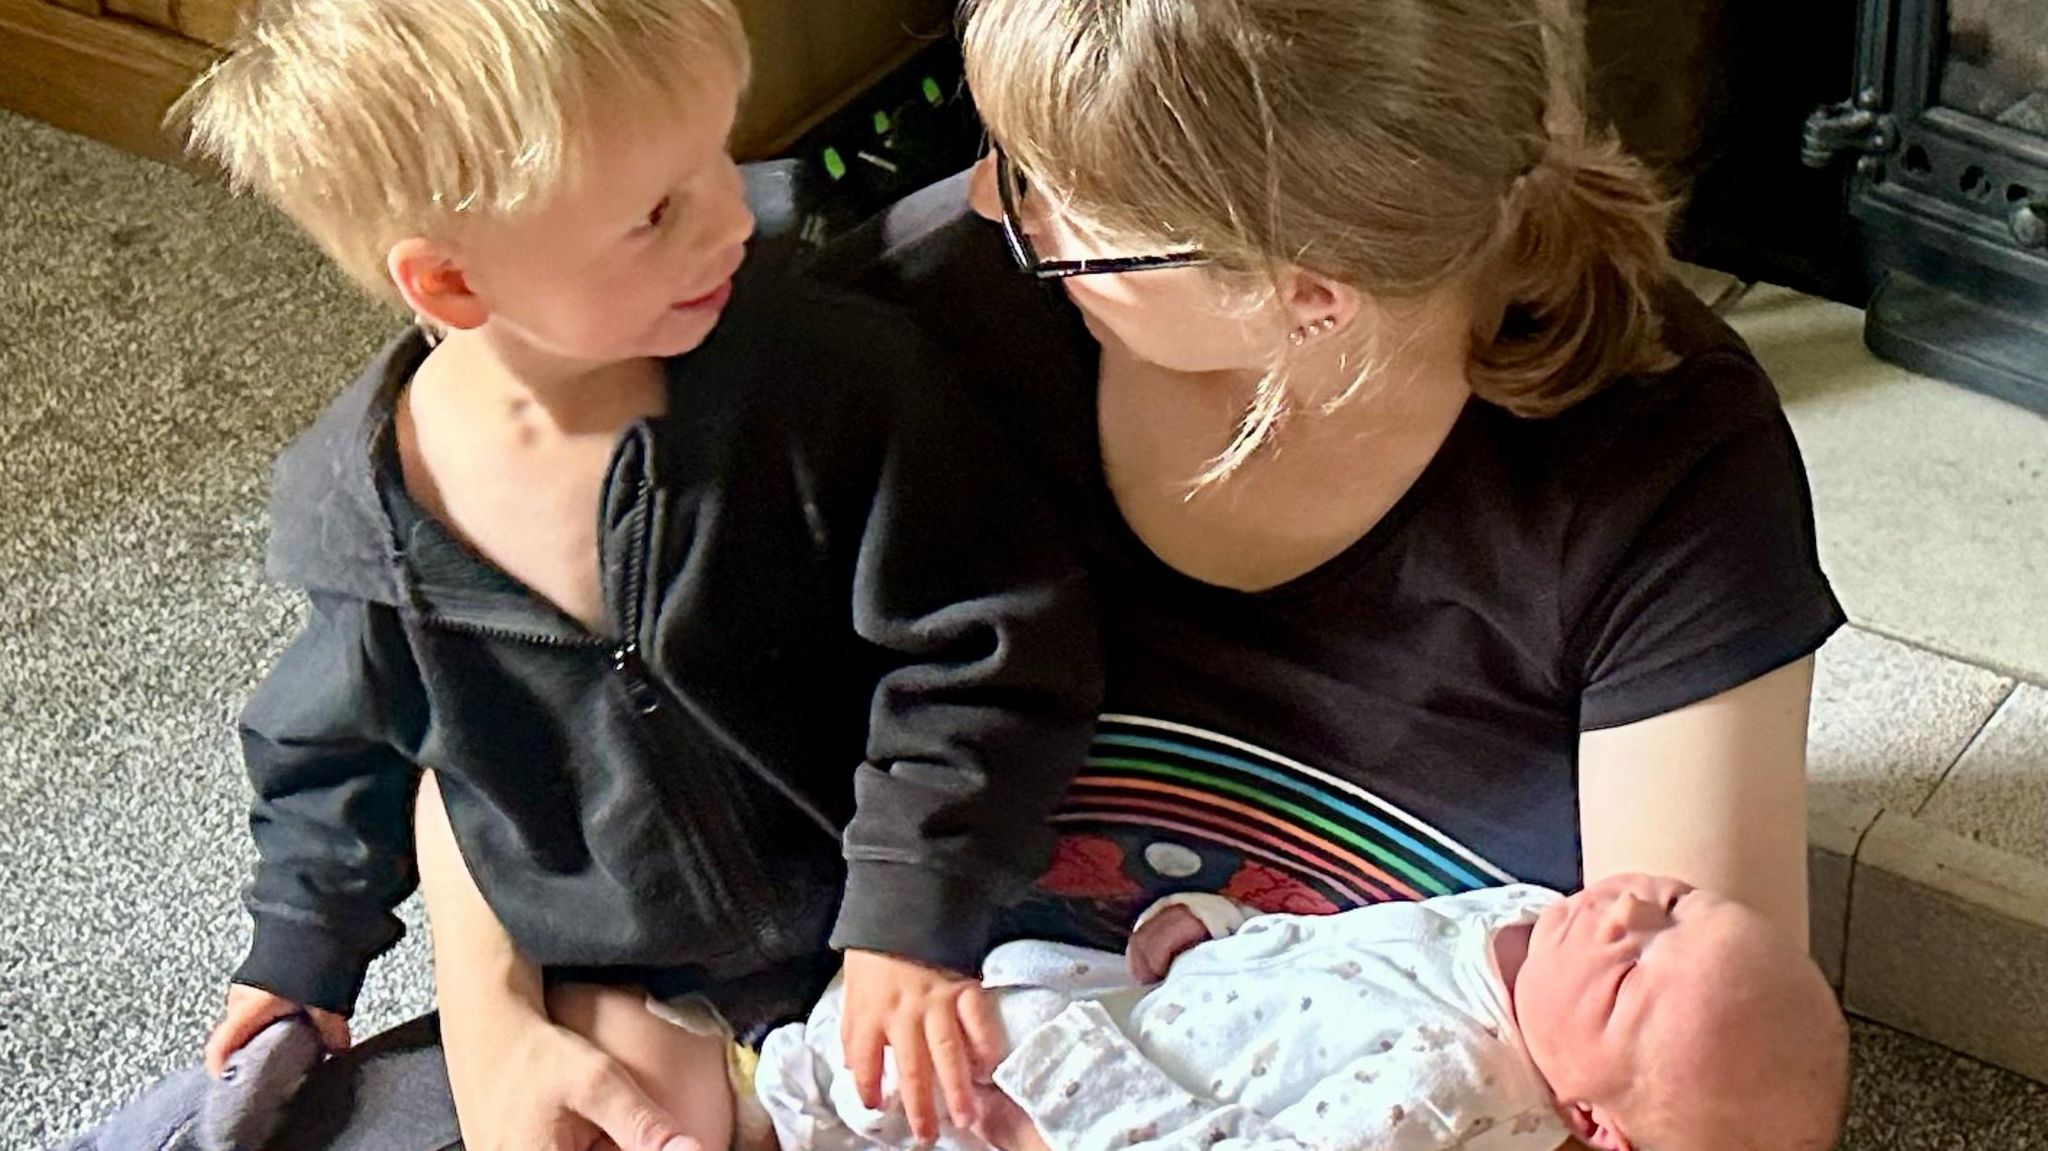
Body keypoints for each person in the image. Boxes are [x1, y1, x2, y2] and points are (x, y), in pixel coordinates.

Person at [165, 1, 1101, 1149]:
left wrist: (911, 907)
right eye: (654, 212)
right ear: (454, 288)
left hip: (904, 886)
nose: (729, 221)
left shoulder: (827, 372)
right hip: (632, 963)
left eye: (718, 152)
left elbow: (988, 640)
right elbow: (337, 750)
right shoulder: (362, 518)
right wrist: (302, 948)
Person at [756, 873, 1851, 1151]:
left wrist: (1057, 1105)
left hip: (1109, 1105)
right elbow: (1342, 946)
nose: (1621, 918)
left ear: (1591, 1119)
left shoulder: (1454, 1082)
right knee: (1007, 964)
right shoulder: (1530, 919)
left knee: (889, 1061)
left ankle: (769, 1100)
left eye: (1626, 981)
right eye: (1673, 902)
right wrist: (1221, 923)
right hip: (1159, 1004)